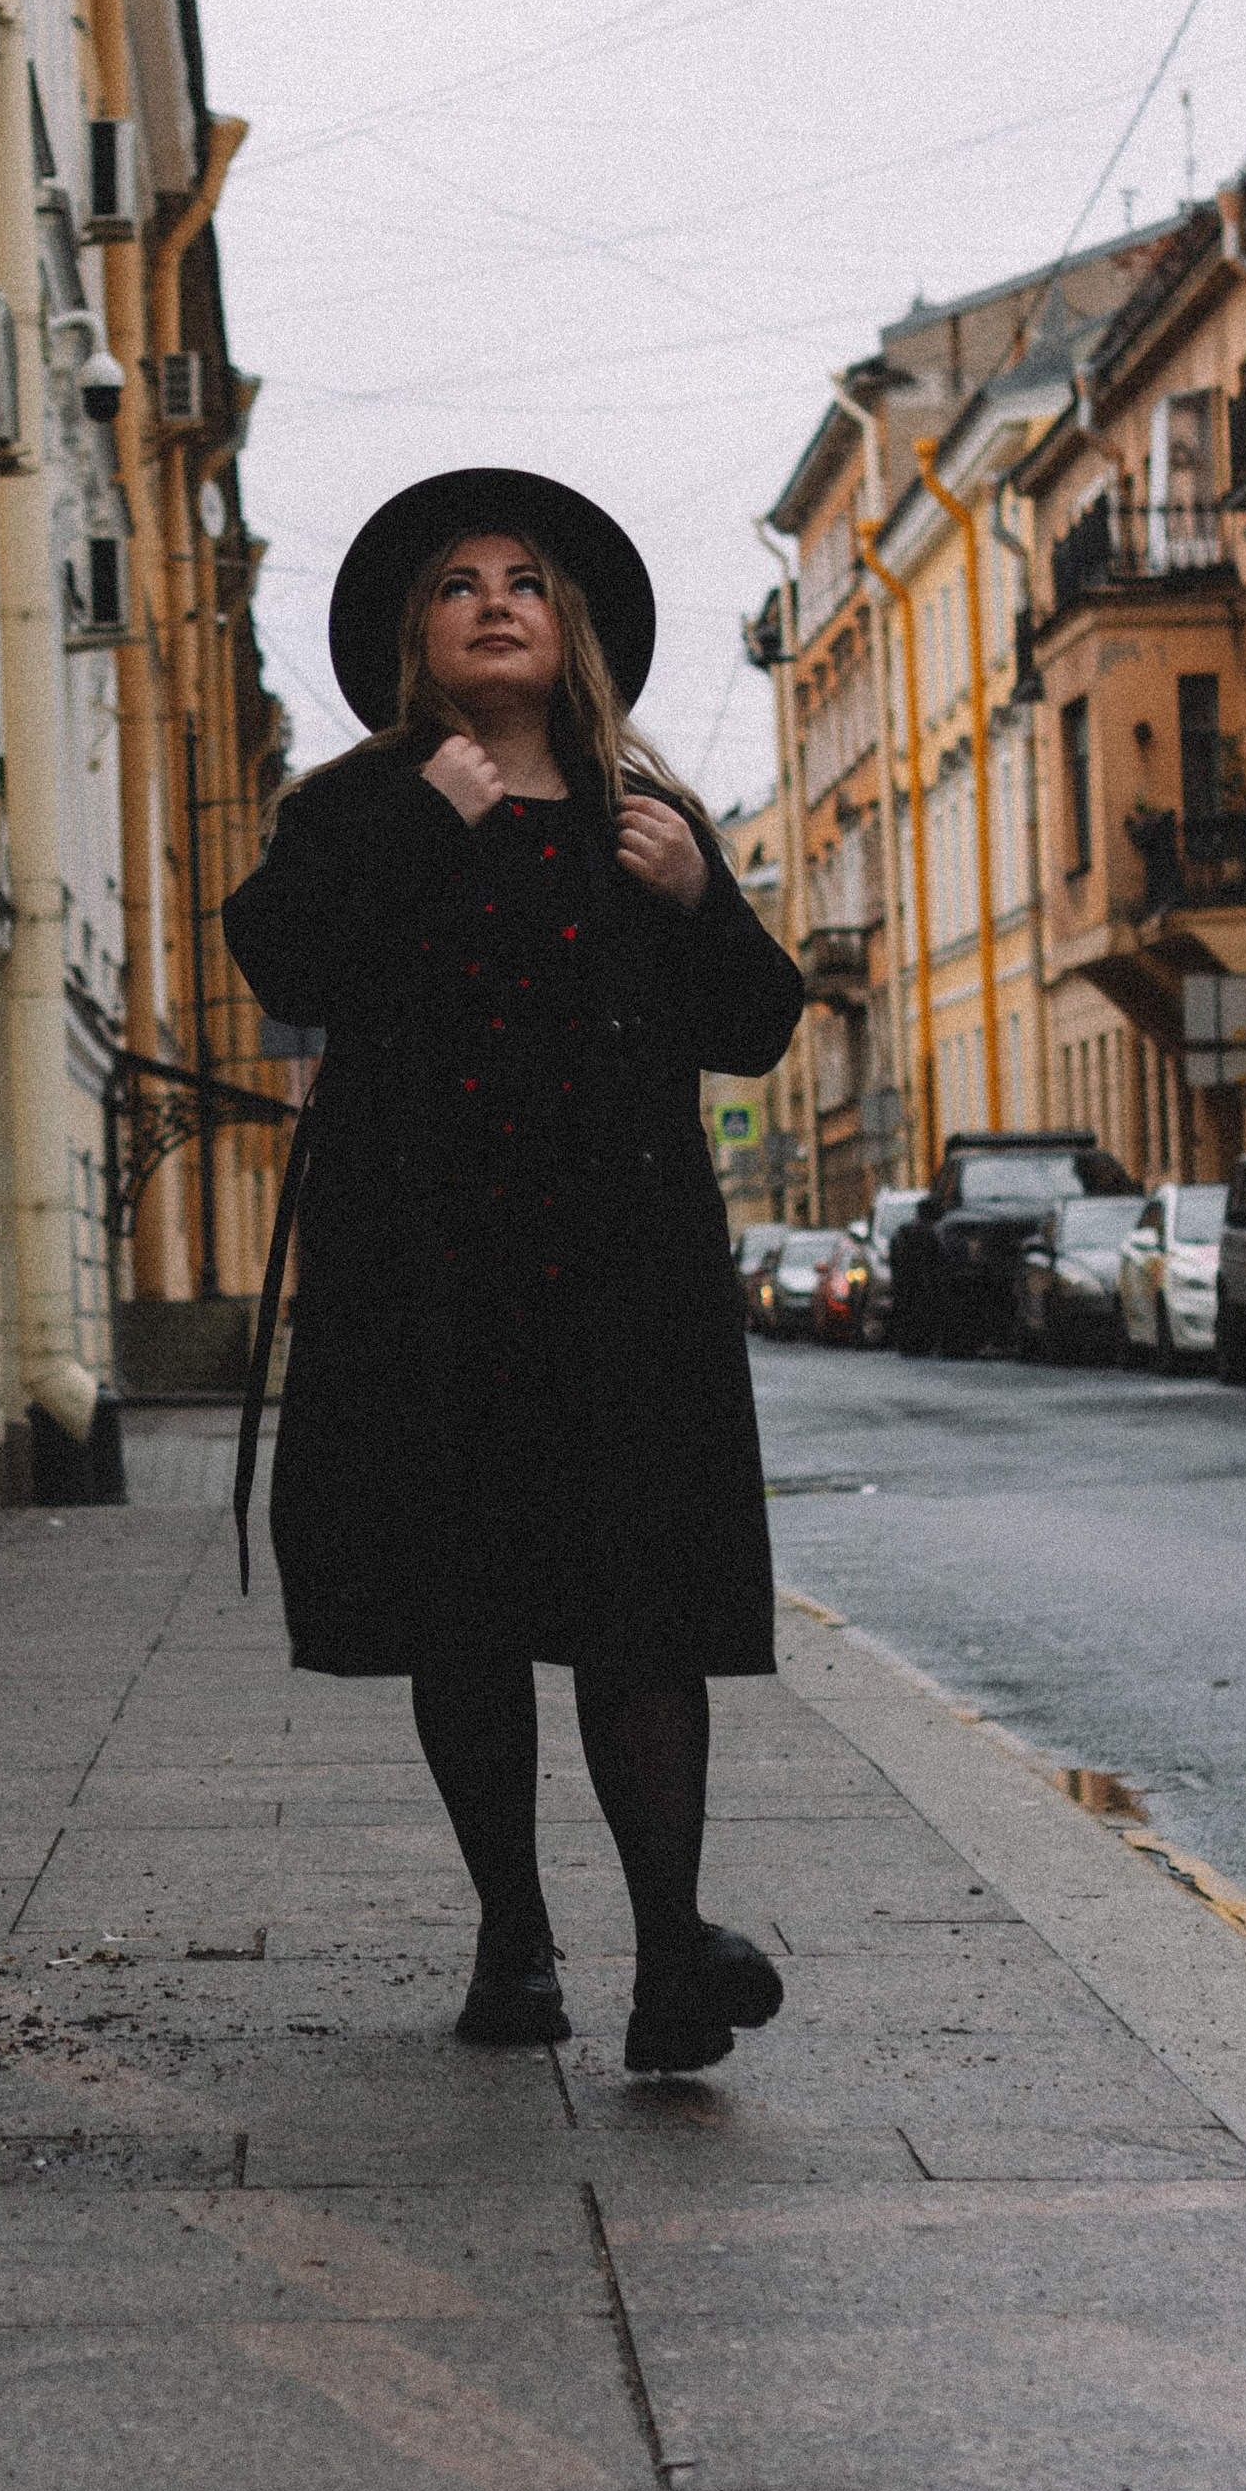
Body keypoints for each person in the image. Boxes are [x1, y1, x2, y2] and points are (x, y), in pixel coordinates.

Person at [223, 467, 806, 2076]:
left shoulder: (650, 813)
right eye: (459, 581)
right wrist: (430, 815)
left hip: (628, 1289)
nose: (494, 599)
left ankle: (671, 1949)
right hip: (429, 1284)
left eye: (526, 580)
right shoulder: (365, 803)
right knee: (466, 1614)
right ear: (419, 634)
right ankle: (514, 1937)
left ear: (572, 629)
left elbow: (754, 1024)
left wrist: (697, 901)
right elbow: (281, 959)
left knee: (642, 1620)